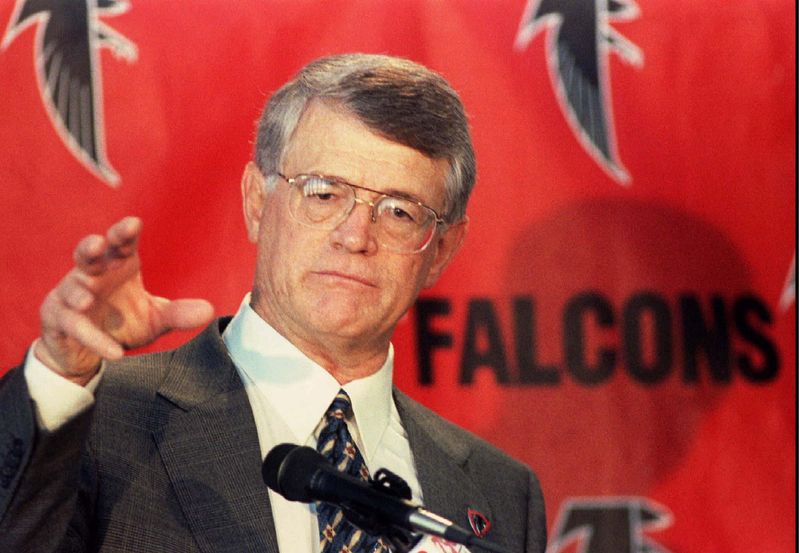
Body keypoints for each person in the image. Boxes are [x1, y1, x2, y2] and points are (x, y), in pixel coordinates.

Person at [0, 53, 546, 552]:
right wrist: (57, 380)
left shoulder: (502, 495)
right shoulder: (95, 421)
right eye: (323, 193)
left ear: (442, 249)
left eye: (399, 211)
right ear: (258, 203)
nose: (355, 235)